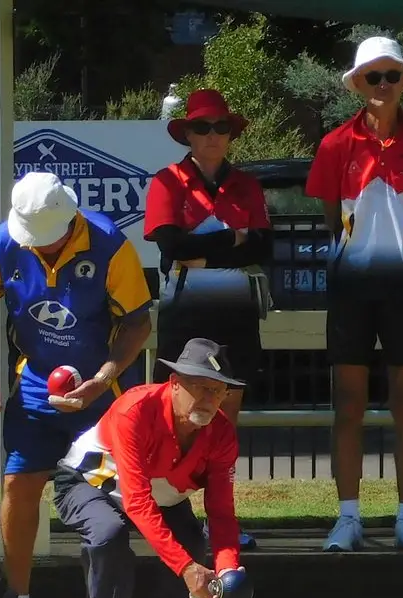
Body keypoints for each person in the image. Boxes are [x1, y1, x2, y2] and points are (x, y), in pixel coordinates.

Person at [0, 171, 153, 598]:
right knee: (17, 484)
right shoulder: (3, 243)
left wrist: (102, 379)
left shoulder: (111, 244)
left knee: (104, 497)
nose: (40, 247)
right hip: (34, 384)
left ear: (70, 222)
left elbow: (137, 324)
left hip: (101, 392)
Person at [304, 36, 403, 552]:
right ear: (358, 85)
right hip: (350, 290)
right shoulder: (335, 144)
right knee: (349, 405)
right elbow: (331, 217)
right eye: (372, 77)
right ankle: (348, 517)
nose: (382, 86)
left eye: (391, 76)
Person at [53, 338, 247, 598]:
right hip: (90, 483)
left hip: (162, 498)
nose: (208, 399)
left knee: (190, 540)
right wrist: (187, 569)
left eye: (218, 391)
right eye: (199, 387)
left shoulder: (222, 435)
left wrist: (229, 571)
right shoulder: (136, 410)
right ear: (174, 384)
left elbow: (221, 514)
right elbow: (138, 502)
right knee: (109, 534)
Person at [144, 87, 274, 550]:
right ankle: (172, 520)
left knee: (226, 418)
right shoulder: (167, 181)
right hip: (185, 307)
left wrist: (206, 249)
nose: (212, 135)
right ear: (188, 134)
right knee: (175, 413)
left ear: (231, 134)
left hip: (236, 307)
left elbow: (263, 246)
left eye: (221, 127)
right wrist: (232, 241)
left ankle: (223, 524)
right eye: (202, 127)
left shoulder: (248, 184)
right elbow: (170, 248)